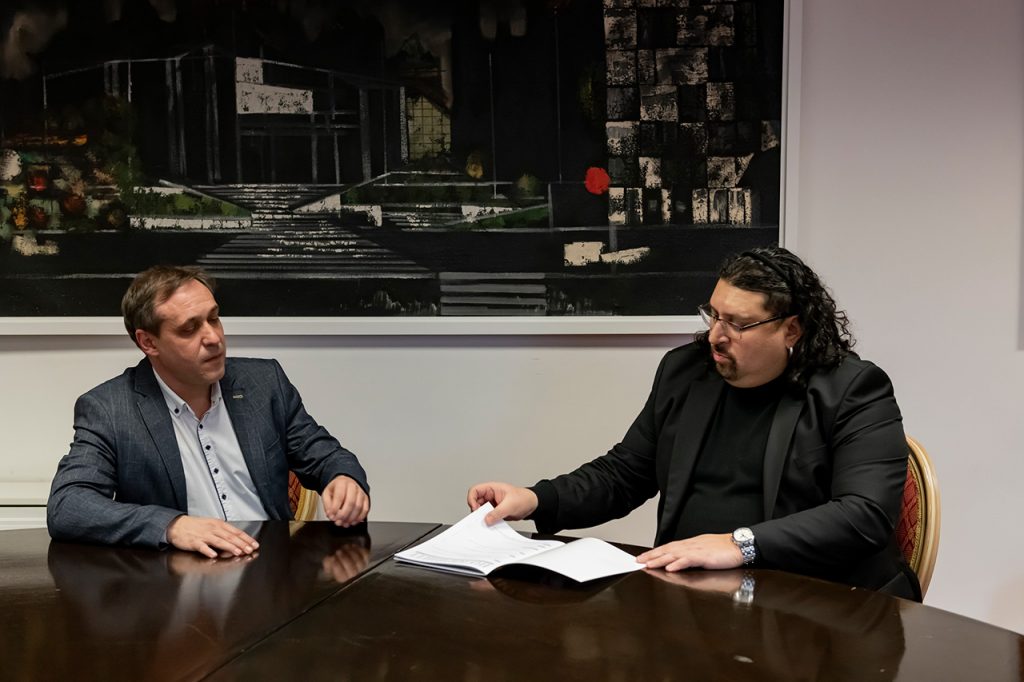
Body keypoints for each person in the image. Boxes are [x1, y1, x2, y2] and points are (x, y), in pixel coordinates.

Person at [468, 247, 920, 600]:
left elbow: (864, 514)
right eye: (714, 315)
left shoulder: (852, 389)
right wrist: (535, 499)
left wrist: (741, 544)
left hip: (814, 601)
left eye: (738, 324)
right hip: (693, 592)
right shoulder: (685, 372)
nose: (716, 336)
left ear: (791, 330)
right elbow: (625, 474)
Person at [48, 265, 370, 558]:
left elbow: (324, 455)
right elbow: (68, 505)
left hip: (272, 573)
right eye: (190, 329)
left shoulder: (264, 384)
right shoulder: (111, 409)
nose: (214, 338)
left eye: (214, 318)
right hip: (178, 585)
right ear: (149, 343)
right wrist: (172, 526)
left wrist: (342, 478)